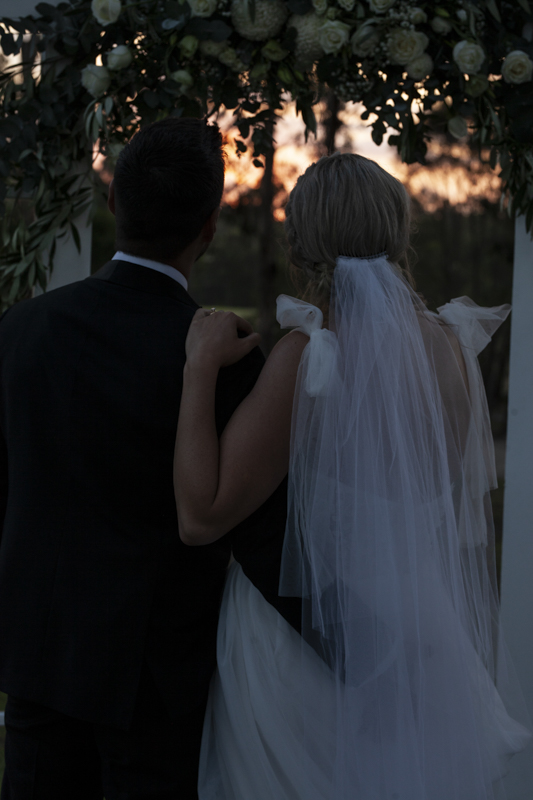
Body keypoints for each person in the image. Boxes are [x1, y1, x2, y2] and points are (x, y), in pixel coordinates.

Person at [174, 152, 531, 800]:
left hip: (305, 637)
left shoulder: (311, 357)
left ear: (301, 242)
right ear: (396, 229)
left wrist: (198, 370)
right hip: (417, 633)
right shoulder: (449, 347)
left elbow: (202, 515)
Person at [0, 117, 300, 800]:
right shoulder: (226, 356)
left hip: (38, 666)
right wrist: (348, 642)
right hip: (157, 682)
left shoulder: (21, 330)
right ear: (208, 227)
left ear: (111, 200)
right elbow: (258, 532)